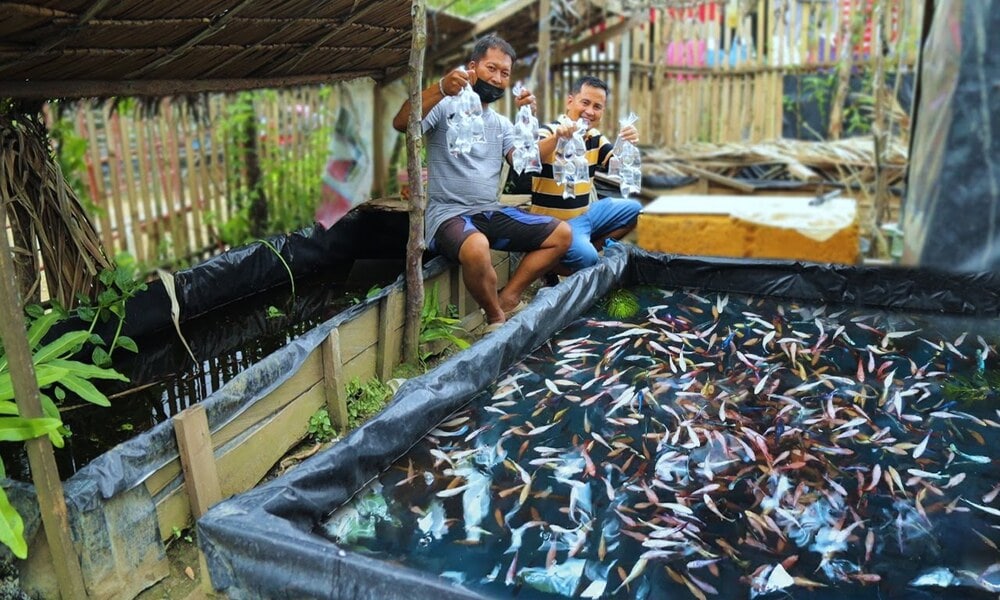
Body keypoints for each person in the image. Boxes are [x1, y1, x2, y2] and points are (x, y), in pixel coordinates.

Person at [392, 35, 571, 331]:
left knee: (561, 235)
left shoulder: (500, 125)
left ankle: (509, 298)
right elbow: (401, 122)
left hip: (488, 211)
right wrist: (438, 89)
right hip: (447, 214)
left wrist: (556, 136)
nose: (498, 78)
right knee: (477, 247)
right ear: (472, 67)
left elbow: (524, 162)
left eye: (505, 73)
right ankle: (495, 319)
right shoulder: (444, 107)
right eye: (492, 68)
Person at [531, 76, 642, 276]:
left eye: (597, 106)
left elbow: (616, 166)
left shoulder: (595, 138)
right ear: (569, 101)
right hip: (552, 225)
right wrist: (558, 138)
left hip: (585, 217)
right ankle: (547, 266)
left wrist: (627, 142)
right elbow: (531, 156)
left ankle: (583, 247)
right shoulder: (549, 131)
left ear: (603, 111)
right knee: (588, 258)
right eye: (585, 103)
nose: (590, 111)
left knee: (635, 210)